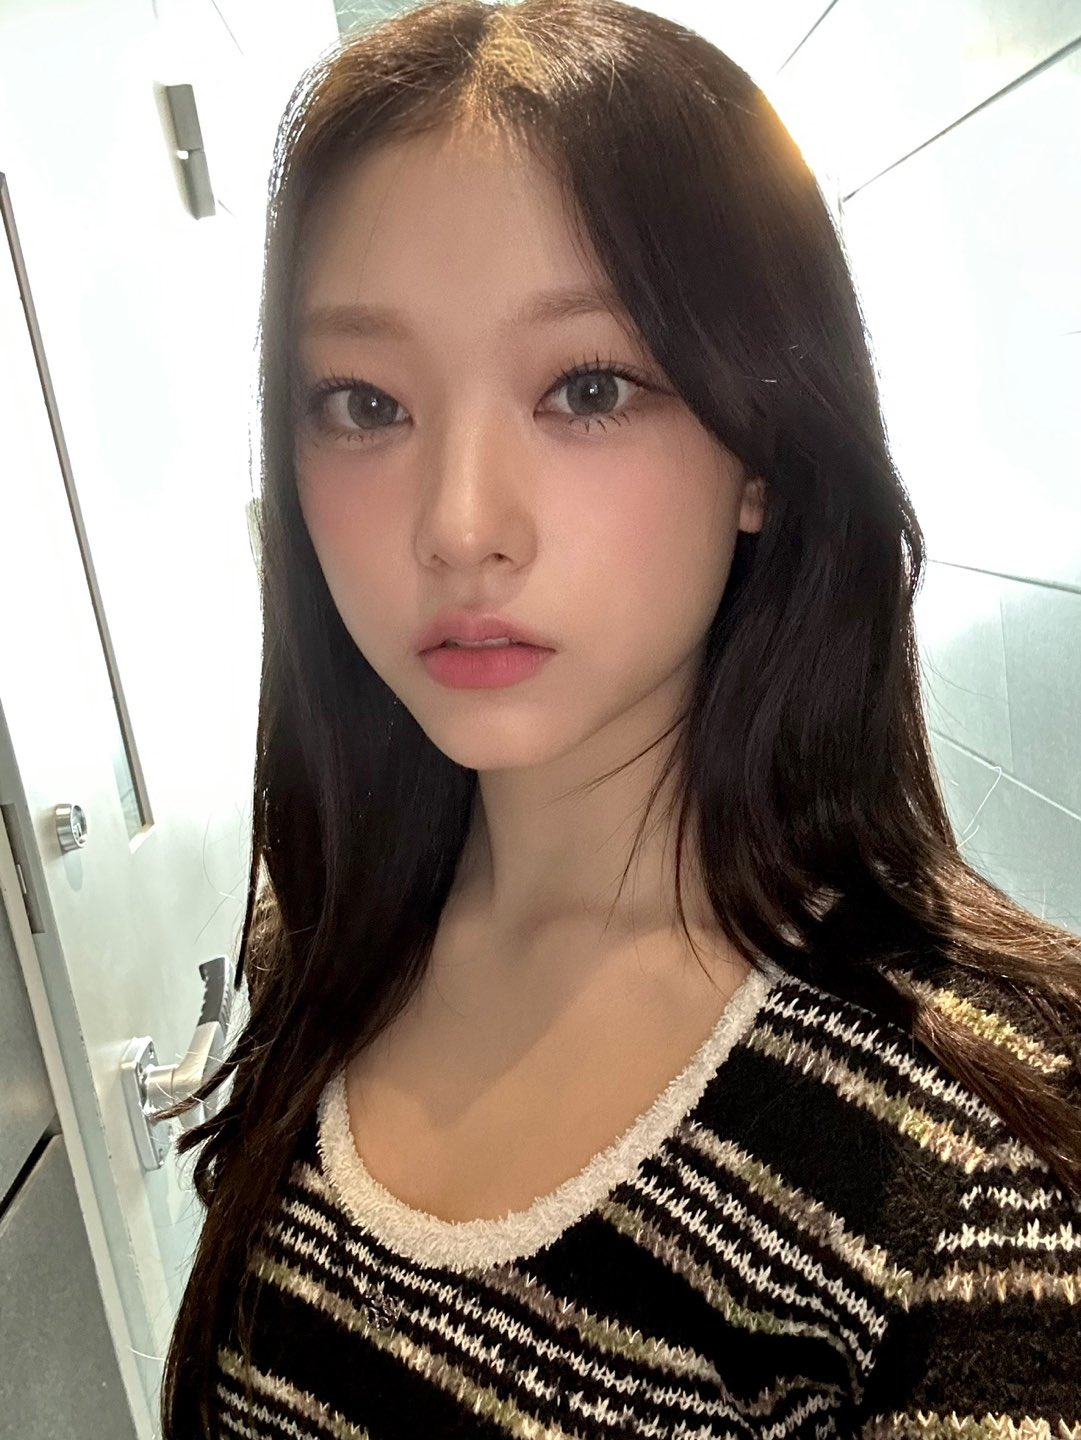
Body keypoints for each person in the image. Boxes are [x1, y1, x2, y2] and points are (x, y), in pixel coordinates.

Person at [159, 1, 1081, 1435]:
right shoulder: (332, 938)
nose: (460, 524)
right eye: (363, 403)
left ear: (763, 452)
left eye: (588, 389)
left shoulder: (979, 1179)